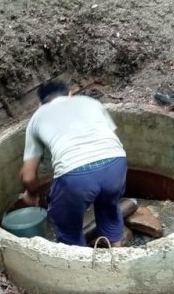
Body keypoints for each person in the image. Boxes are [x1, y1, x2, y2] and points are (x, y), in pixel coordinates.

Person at [20, 80, 128, 246]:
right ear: (69, 93)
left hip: (75, 174)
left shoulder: (38, 116)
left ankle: (81, 265)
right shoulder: (91, 102)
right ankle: (117, 257)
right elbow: (110, 137)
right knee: (109, 209)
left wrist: (31, 194)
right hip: (116, 164)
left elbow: (28, 176)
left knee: (66, 224)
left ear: (40, 103)